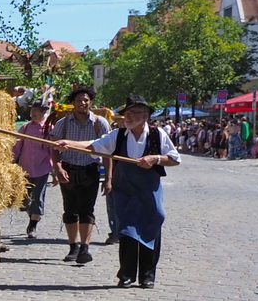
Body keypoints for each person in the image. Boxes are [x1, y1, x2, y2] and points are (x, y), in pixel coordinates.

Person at [52, 98, 179, 288]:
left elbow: (174, 158)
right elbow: (92, 145)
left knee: (152, 225)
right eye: (126, 113)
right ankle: (126, 274)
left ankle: (147, 275)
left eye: (133, 113)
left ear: (144, 116)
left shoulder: (157, 135)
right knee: (127, 231)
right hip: (125, 191)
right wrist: (68, 143)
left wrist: (156, 158)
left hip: (148, 191)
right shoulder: (118, 135)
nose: (127, 116)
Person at [49, 87, 111, 265]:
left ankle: (85, 247)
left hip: (90, 170)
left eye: (85, 100)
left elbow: (108, 153)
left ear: (90, 102)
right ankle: (73, 246)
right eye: (78, 100)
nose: (82, 103)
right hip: (68, 169)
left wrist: (108, 178)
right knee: (70, 209)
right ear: (73, 103)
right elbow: (53, 148)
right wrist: (58, 169)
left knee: (87, 210)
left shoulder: (100, 123)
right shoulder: (63, 123)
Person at [12, 100, 55, 239]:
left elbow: (53, 151)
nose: (33, 114)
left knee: (37, 197)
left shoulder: (50, 129)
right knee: (24, 200)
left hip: (42, 168)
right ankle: (33, 215)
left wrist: (56, 171)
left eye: (37, 111)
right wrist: (11, 162)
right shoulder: (25, 128)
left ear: (44, 113)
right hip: (25, 168)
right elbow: (17, 147)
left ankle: (32, 225)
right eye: (32, 111)